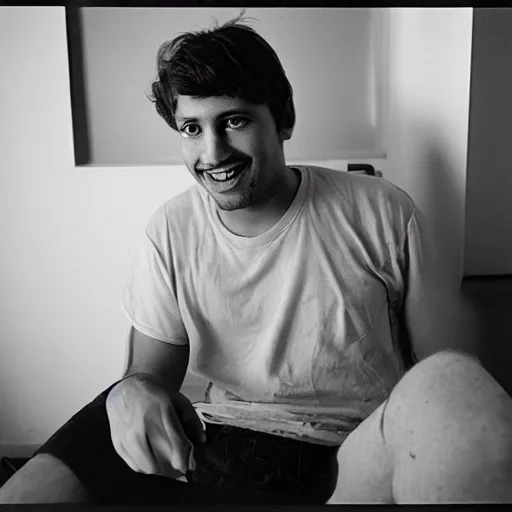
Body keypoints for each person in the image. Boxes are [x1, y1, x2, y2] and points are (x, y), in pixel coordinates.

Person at [1, 13, 512, 505]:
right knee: (100, 417)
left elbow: (448, 371)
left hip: (348, 453)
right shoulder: (170, 229)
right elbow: (150, 374)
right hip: (219, 447)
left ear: (284, 118)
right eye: (191, 129)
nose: (213, 152)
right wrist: (131, 392)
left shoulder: (382, 213)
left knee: (451, 383)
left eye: (234, 121)